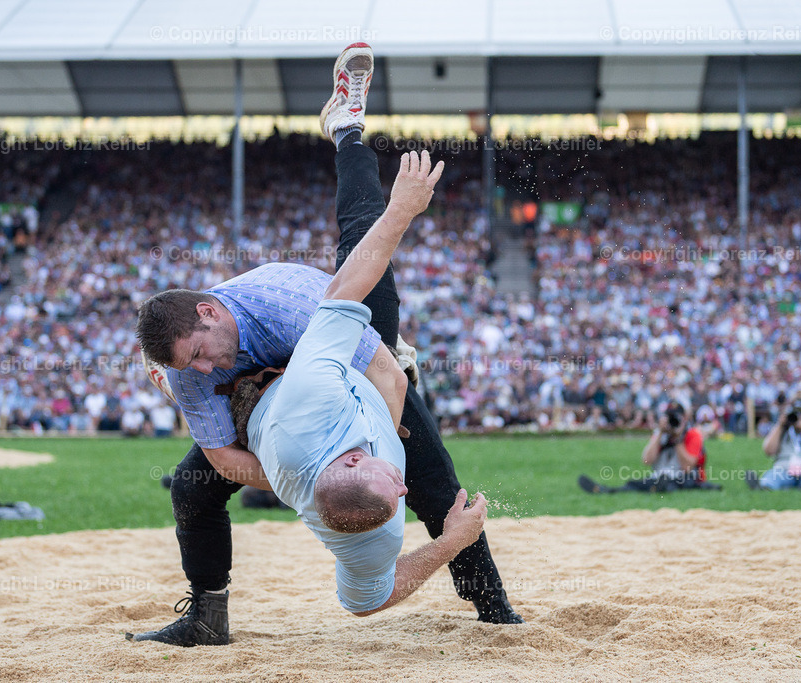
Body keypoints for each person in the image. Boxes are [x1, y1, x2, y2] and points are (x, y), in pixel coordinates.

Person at [129, 43, 521, 648]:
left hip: (357, 352)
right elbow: (222, 459)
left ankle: (347, 129)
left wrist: (368, 442)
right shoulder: (186, 371)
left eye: (201, 354)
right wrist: (301, 483)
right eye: (189, 367)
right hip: (292, 413)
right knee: (189, 488)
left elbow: (388, 378)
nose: (203, 370)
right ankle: (207, 616)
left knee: (435, 483)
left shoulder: (285, 304)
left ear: (209, 310)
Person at [577, 403, 714, 494]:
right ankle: (605, 490)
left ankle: (659, 487)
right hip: (660, 476)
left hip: (685, 478)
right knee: (634, 484)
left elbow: (688, 467)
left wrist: (677, 439)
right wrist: (660, 433)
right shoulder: (661, 434)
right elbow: (647, 460)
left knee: (671, 482)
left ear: (684, 419)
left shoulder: (692, 434)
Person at [748, 398, 801, 490]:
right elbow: (768, 450)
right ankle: (764, 486)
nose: (798, 418)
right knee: (771, 477)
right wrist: (780, 425)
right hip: (784, 469)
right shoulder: (783, 428)